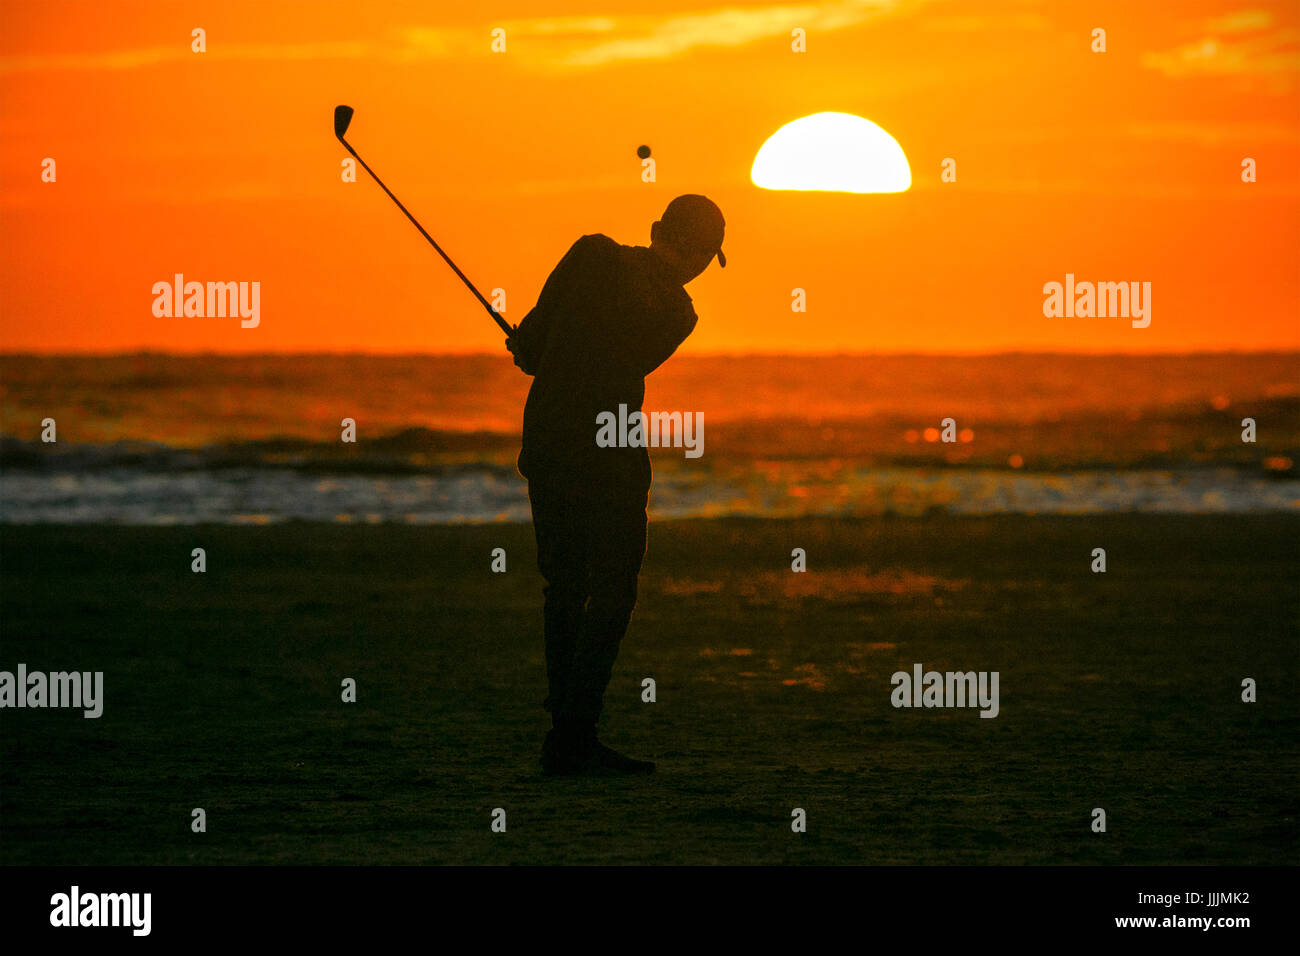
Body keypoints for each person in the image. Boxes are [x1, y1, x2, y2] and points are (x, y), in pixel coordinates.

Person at [506, 194, 726, 776]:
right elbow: (607, 354)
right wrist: (537, 349)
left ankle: (568, 730)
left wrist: (527, 349)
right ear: (665, 236)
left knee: (568, 585)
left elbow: (533, 346)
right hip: (608, 451)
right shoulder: (679, 313)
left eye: (703, 254)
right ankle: (574, 729)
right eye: (698, 251)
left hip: (555, 439)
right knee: (608, 587)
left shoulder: (592, 255)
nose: (697, 263)